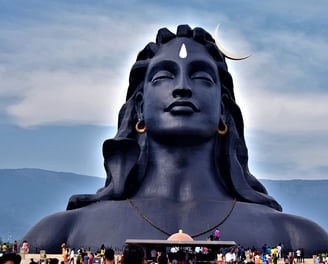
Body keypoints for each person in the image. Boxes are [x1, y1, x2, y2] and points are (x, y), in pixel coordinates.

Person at [22, 24, 328, 255]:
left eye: (202, 77)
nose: (182, 87)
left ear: (224, 110)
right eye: (164, 76)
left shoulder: (297, 237)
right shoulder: (59, 233)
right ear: (139, 106)